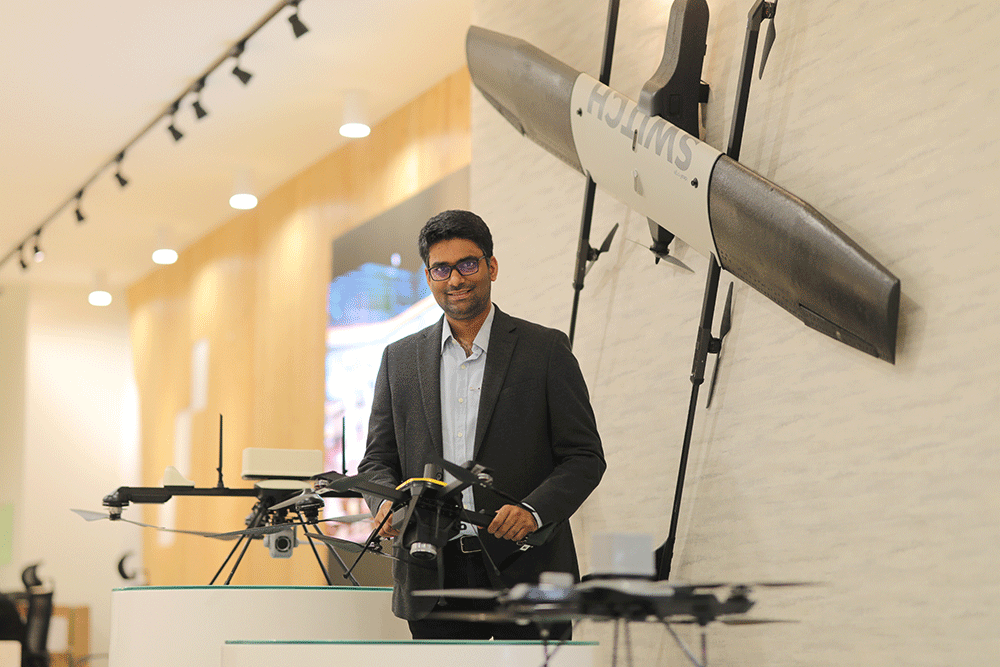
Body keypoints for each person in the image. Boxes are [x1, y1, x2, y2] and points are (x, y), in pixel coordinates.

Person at [358, 209, 606, 640]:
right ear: (428, 277)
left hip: (529, 569)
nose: (455, 279)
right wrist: (384, 505)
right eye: (441, 269)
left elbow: (584, 457)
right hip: (433, 576)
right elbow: (377, 461)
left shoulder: (545, 350)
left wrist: (533, 511)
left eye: (467, 264)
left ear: (491, 266)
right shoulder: (399, 360)